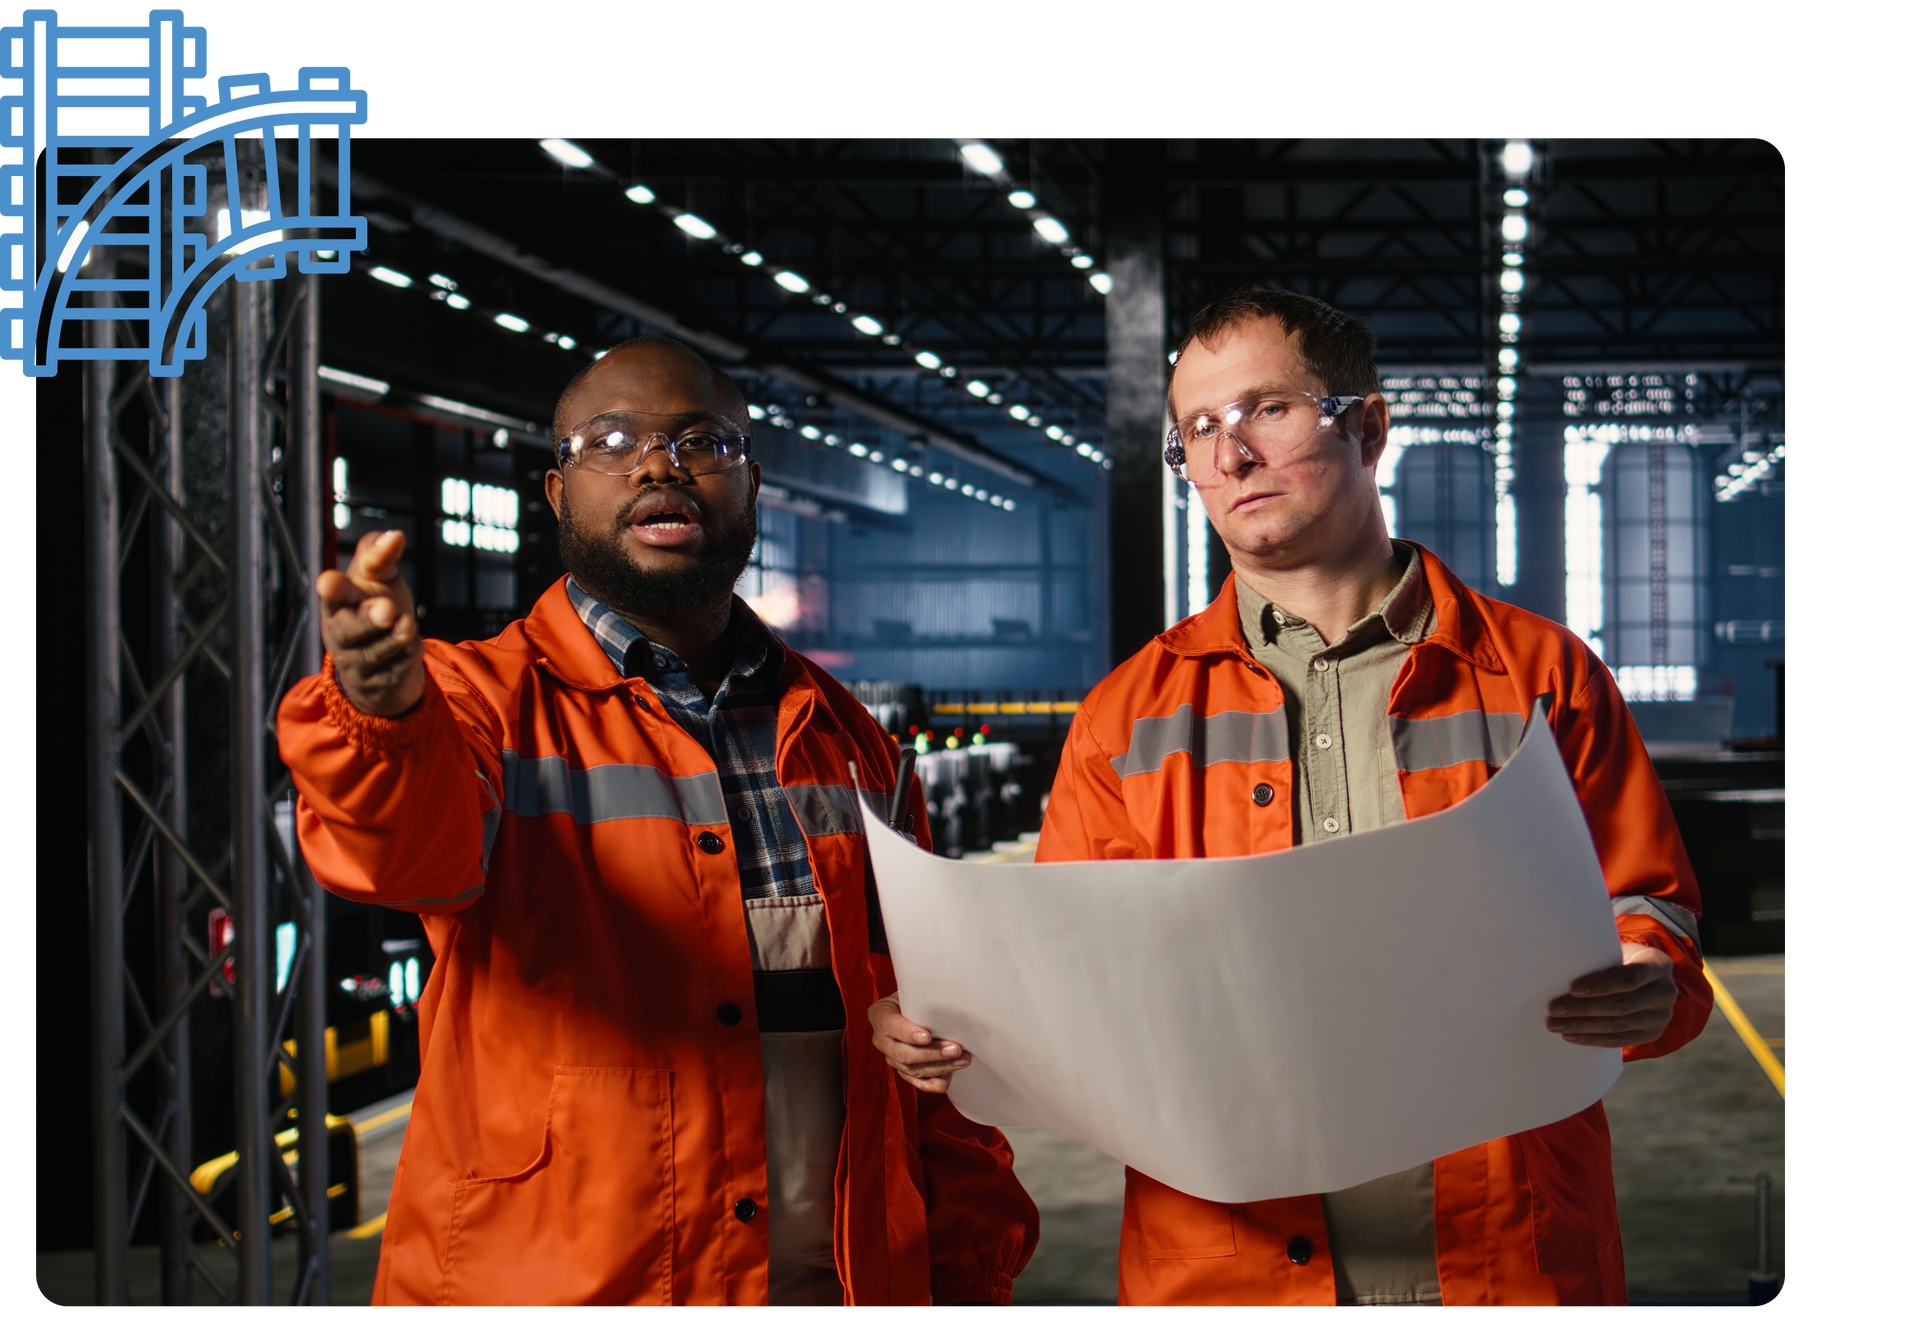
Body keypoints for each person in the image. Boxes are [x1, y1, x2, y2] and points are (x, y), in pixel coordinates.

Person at [869, 290, 1710, 1308]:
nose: (1231, 457)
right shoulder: (1126, 717)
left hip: (1504, 1254)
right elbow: (1076, 987)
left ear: (1369, 426)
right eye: (1200, 429)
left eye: (1266, 409)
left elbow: (1649, 910)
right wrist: (960, 1028)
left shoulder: (1541, 677)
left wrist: (1648, 977)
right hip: (1229, 1267)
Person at [279, 336, 1038, 1308]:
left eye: (701, 443)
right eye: (611, 440)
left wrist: (970, 1272)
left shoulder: (849, 741)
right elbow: (399, 856)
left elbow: (937, 1047)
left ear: (753, 485)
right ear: (556, 492)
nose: (659, 465)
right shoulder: (477, 705)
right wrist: (383, 719)